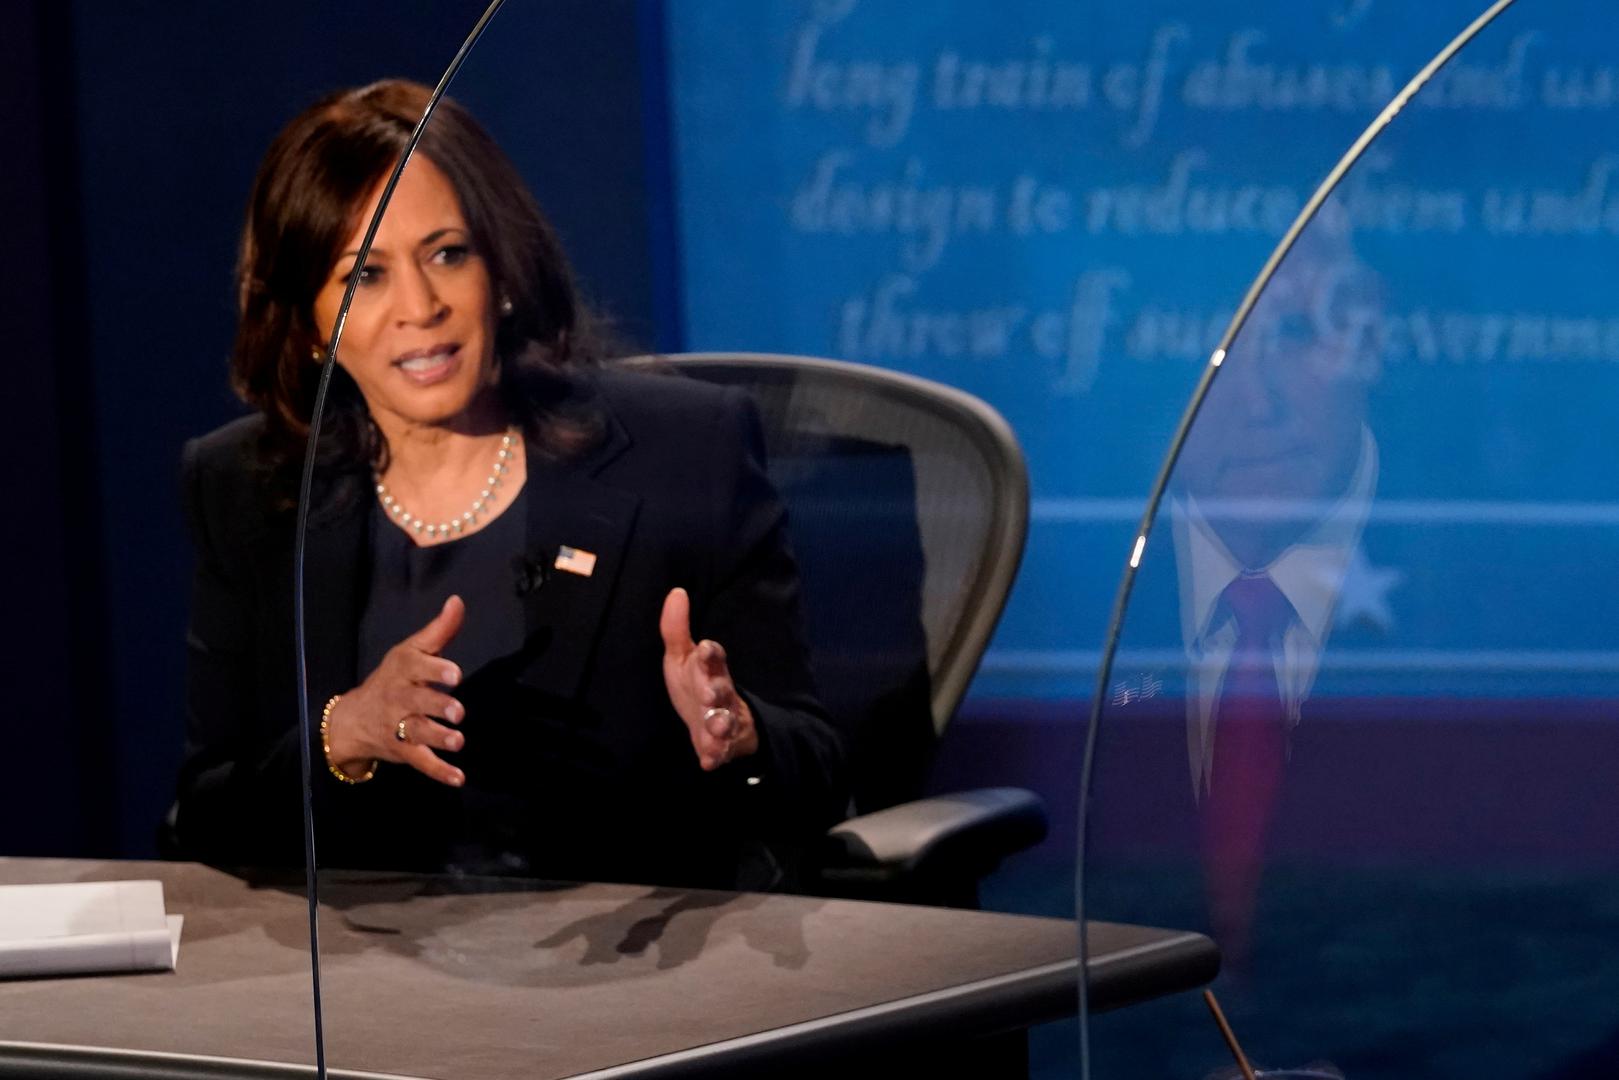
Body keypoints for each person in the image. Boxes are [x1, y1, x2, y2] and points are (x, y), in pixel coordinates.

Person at [170, 79, 848, 890]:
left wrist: (741, 738)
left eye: (446, 254)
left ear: (502, 272)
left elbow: (819, 776)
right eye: (365, 277)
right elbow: (207, 817)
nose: (419, 307)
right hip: (371, 981)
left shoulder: (683, 452)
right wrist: (339, 737)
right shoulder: (248, 487)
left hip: (634, 972)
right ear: (312, 325)